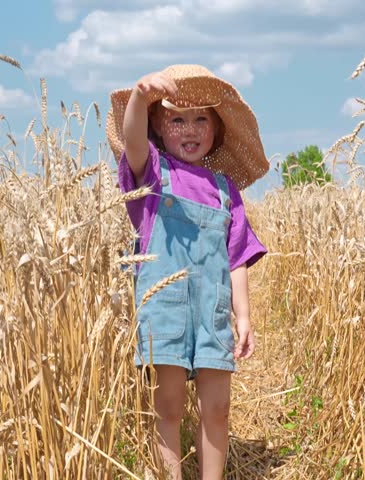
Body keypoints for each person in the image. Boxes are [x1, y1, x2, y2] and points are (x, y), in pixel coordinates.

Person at [106, 64, 269, 479]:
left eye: (201, 119)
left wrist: (244, 315)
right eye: (177, 119)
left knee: (217, 407)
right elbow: (132, 140)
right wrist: (141, 99)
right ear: (158, 127)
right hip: (165, 310)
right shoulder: (152, 174)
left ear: (216, 130)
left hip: (213, 311)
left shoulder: (224, 188)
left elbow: (236, 256)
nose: (190, 129)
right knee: (170, 405)